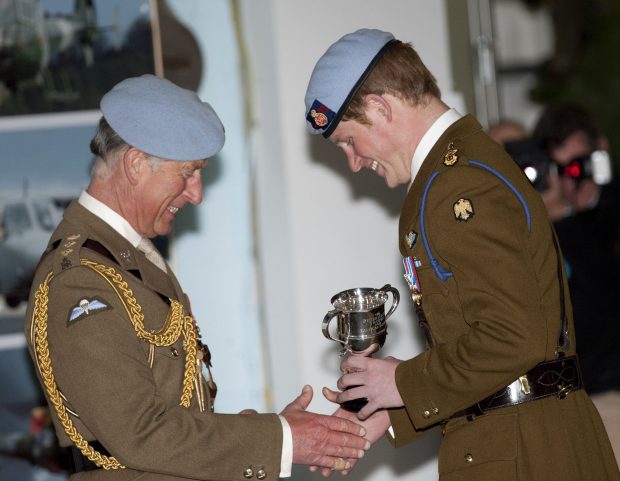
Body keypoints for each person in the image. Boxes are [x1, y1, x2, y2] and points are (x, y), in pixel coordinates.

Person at [303, 29, 620, 479]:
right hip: (527, 443)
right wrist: (392, 411)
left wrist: (402, 381)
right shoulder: (459, 167)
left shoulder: (457, 184)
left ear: (380, 107)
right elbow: (512, 365)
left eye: (349, 142)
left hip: (523, 458)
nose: (354, 162)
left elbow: (515, 336)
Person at [24, 74, 370, 480]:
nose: (196, 193)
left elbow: (166, 412)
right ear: (136, 164)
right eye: (187, 173)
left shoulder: (129, 256)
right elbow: (140, 433)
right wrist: (282, 439)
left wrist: (251, 434)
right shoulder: (80, 278)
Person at [532, 103, 620, 464]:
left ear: (602, 148)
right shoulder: (550, 228)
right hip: (586, 395)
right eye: (562, 169)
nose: (574, 178)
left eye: (580, 164)